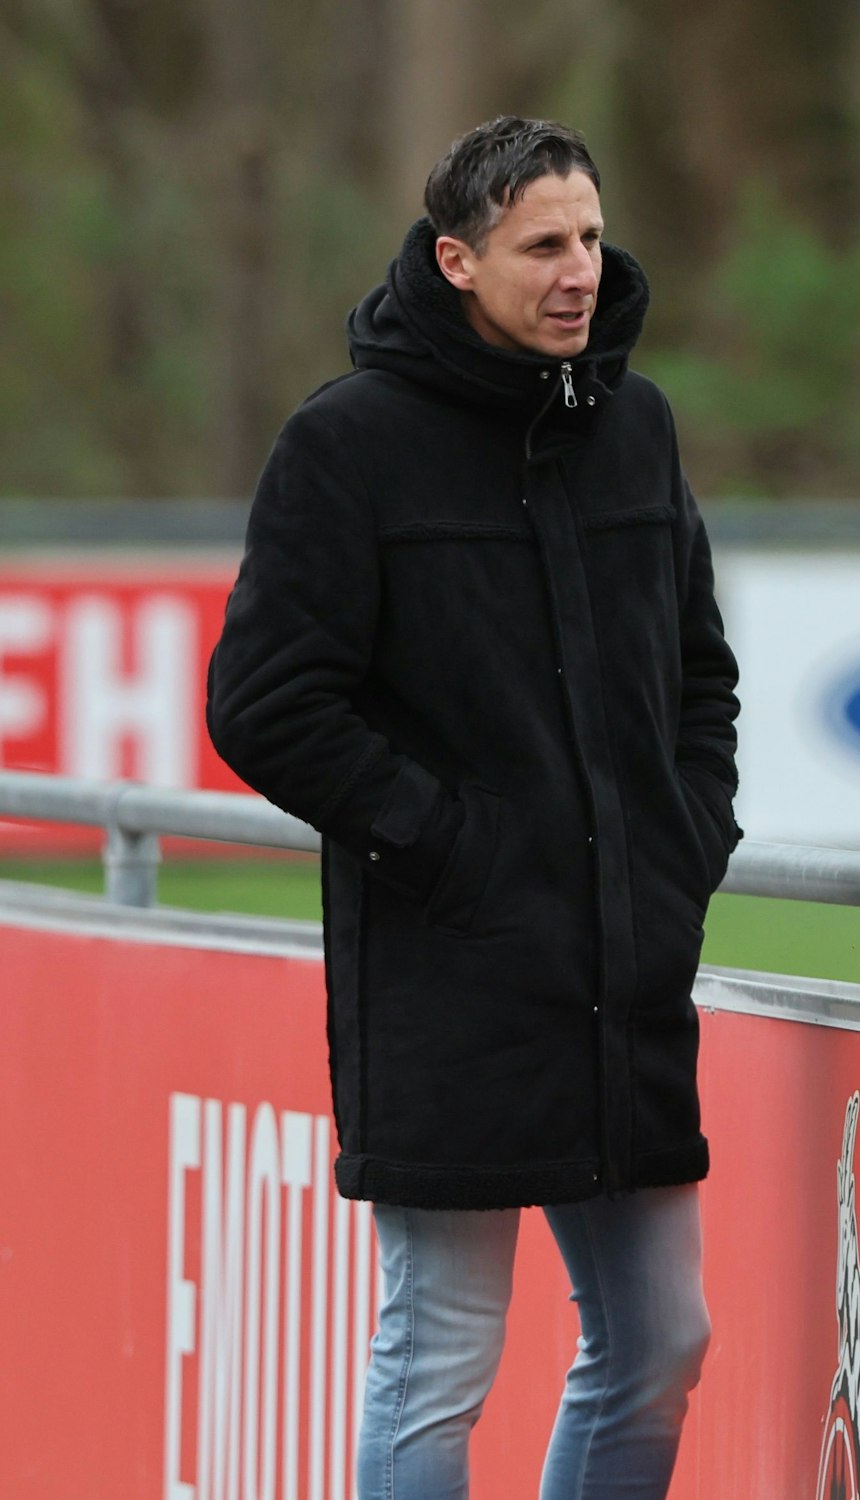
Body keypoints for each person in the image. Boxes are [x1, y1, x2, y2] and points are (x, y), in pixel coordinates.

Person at [206, 116, 740, 1497]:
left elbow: (699, 675)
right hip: (447, 980)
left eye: (591, 238)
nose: (580, 271)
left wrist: (685, 845)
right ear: (457, 259)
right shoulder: (347, 444)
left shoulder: (637, 425)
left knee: (663, 1342)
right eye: (542, 246)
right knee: (437, 1365)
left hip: (624, 974)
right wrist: (454, 847)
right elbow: (264, 704)